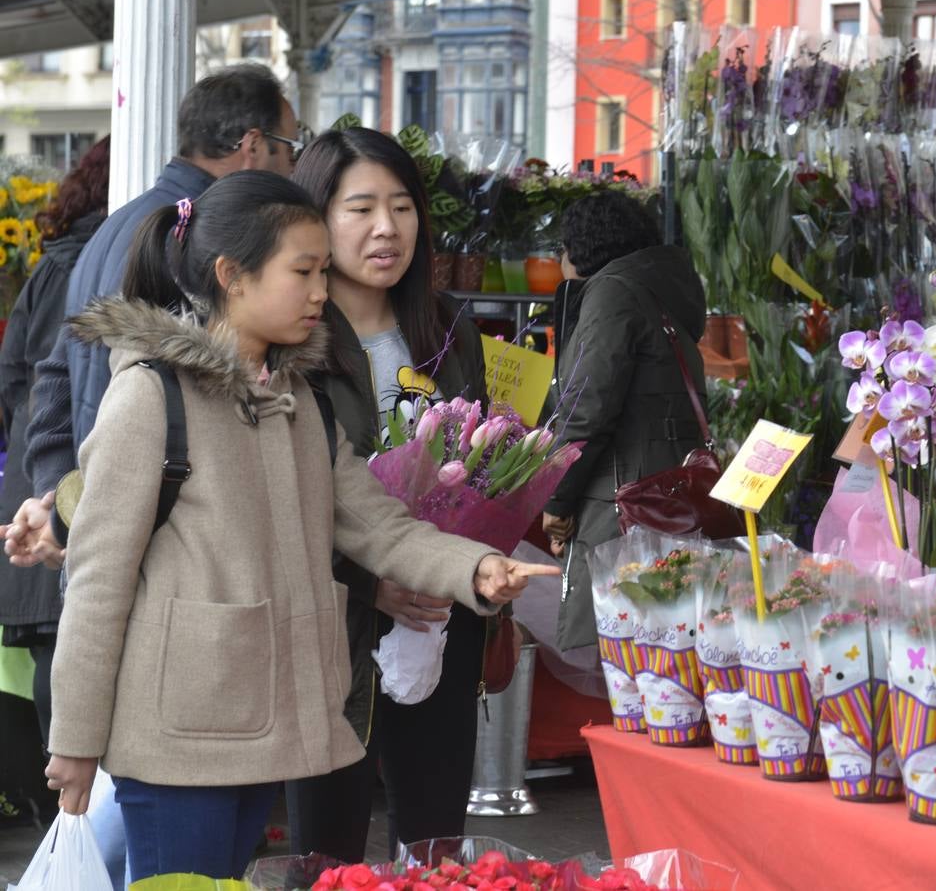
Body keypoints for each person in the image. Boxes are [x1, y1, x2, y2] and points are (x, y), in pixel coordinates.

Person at [41, 171, 554, 882]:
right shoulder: (149, 398)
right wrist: (75, 740)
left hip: (268, 726)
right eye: (303, 272)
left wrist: (475, 567)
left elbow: (380, 527)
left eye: (322, 272)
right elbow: (96, 582)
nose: (321, 292)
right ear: (232, 276)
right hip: (178, 733)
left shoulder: (299, 400)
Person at [5, 64, 302, 569]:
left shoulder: (122, 220)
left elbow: (54, 379)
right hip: (157, 556)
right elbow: (161, 416)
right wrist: (66, 517)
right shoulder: (193, 241)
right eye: (291, 146)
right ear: (253, 145)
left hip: (109, 537)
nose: (295, 167)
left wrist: (59, 502)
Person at [285, 127, 489, 859]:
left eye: (402, 209)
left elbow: (481, 468)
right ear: (317, 218)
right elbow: (281, 498)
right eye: (361, 208)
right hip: (335, 626)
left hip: (440, 616)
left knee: (435, 839)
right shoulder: (292, 343)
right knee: (327, 849)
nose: (386, 229)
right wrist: (372, 582)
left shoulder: (449, 330)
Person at [541, 192, 709, 650]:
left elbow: (587, 405)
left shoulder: (612, 294)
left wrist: (557, 498)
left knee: (622, 652)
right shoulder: (660, 291)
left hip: (622, 506)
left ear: (579, 248)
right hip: (664, 497)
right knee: (661, 644)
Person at [0, 136, 110, 742]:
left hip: (42, 479)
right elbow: (44, 380)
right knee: (60, 658)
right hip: (52, 485)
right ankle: (62, 823)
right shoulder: (80, 264)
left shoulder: (65, 257)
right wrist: (51, 487)